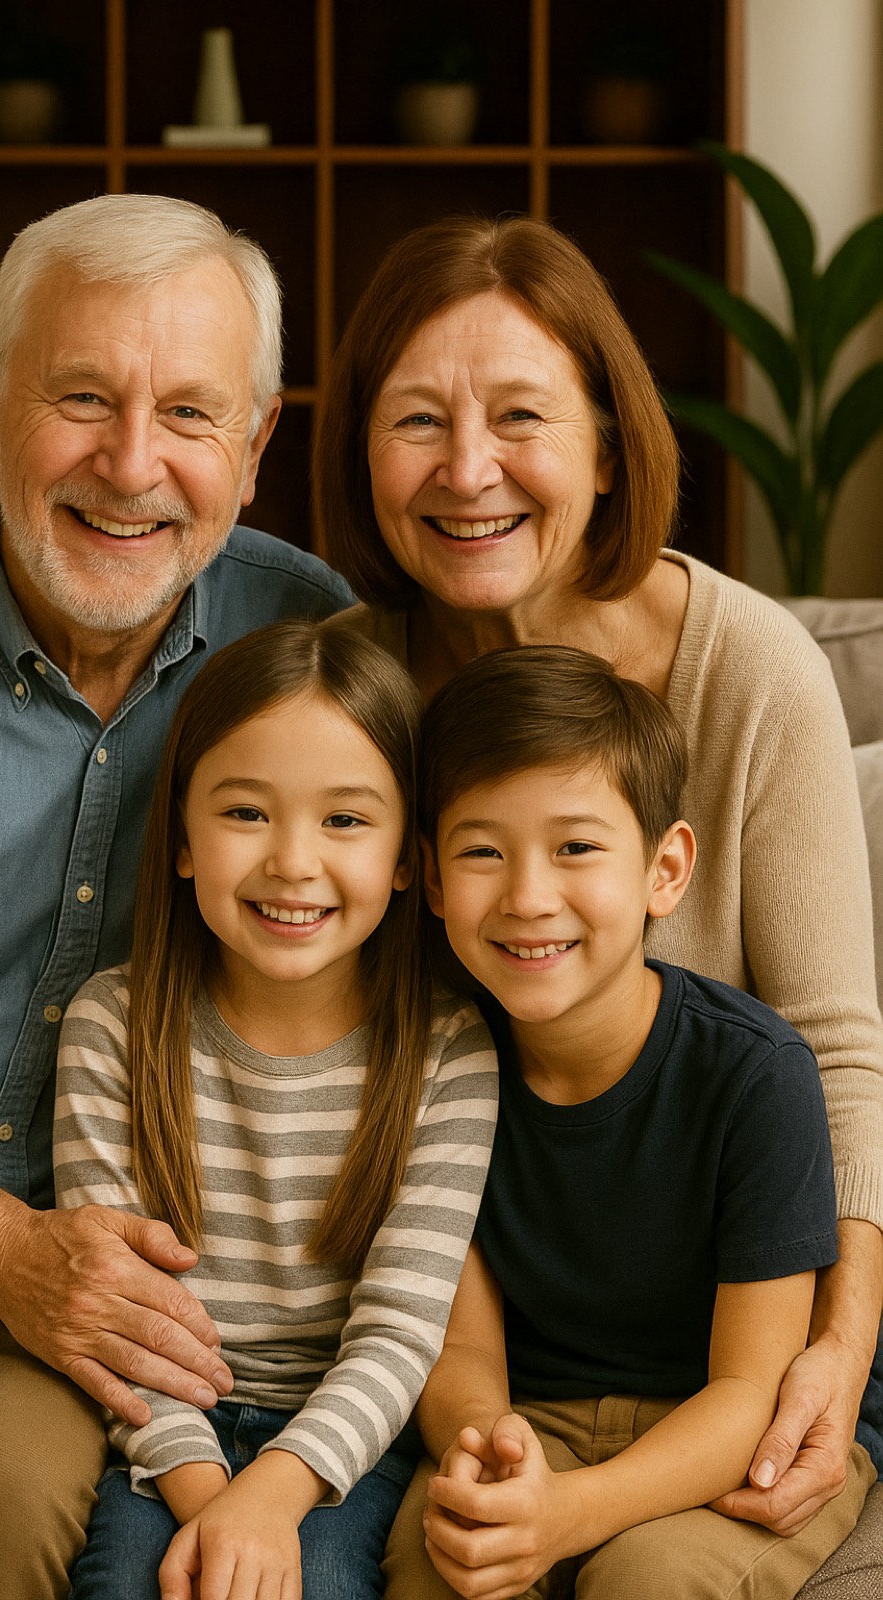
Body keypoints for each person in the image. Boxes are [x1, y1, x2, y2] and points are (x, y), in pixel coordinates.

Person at [0, 193, 354, 1599]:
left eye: (189, 411)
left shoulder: (313, 648)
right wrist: (4, 1251)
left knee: (3, 1507)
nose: (132, 464)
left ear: (256, 441)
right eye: (80, 398)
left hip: (91, 1294)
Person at [314, 213, 883, 1533]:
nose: (467, 472)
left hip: (741, 1316)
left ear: (608, 447)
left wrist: (836, 1349)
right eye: (413, 423)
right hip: (462, 1332)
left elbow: (838, 1048)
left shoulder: (746, 675)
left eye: (520, 416)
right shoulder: (343, 691)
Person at [386, 642, 876, 1599]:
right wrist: (499, 1456)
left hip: (731, 1434)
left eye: (576, 847)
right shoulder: (436, 1067)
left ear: (665, 869)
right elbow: (463, 1353)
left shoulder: (755, 1076)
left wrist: (573, 1512)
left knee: (645, 1580)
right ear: (434, 880)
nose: (529, 896)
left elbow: (749, 1392)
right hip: (534, 1416)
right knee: (446, 1562)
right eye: (483, 850)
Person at [52, 620, 498, 1600]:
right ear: (179, 837)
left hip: (341, 1439)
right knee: (137, 1583)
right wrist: (217, 1500)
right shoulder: (110, 1027)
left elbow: (397, 1336)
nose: (294, 862)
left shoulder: (448, 1050)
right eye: (247, 813)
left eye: (345, 821)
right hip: (168, 1432)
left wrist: (274, 1496)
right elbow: (122, 1324)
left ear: (405, 860)